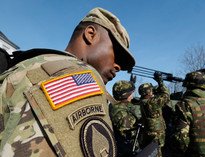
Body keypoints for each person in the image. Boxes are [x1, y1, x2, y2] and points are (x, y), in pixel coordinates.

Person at [0, 7, 135, 157]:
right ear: (91, 34)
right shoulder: (79, 75)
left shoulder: (30, 66)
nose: (118, 67)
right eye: (117, 54)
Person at [138, 72, 170, 156]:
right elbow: (166, 95)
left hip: (149, 133)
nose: (153, 92)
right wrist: (160, 81)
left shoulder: (142, 101)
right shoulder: (152, 102)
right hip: (156, 134)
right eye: (151, 90)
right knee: (157, 153)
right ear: (148, 92)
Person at [109, 80, 140, 157]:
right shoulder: (120, 112)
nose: (132, 96)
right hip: (127, 150)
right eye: (131, 94)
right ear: (126, 95)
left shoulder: (119, 106)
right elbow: (127, 133)